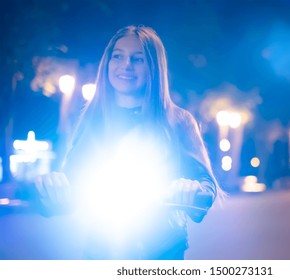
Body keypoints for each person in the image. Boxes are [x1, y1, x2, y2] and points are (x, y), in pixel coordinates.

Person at [34, 25, 222, 259]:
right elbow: (69, 188)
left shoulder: (178, 121)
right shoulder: (93, 120)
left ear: (154, 67)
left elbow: (206, 185)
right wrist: (49, 189)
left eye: (138, 59)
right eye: (118, 56)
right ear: (107, 63)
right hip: (101, 250)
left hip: (163, 251)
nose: (126, 65)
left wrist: (191, 191)